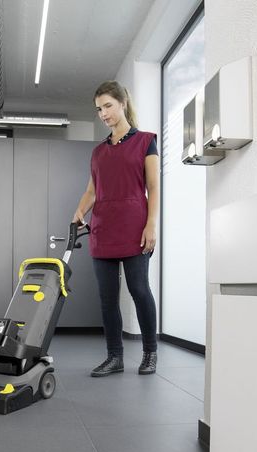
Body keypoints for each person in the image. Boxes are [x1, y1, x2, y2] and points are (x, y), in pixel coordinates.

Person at [72, 80, 160, 377]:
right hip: (103, 229)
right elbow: (91, 191)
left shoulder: (146, 140)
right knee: (107, 298)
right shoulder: (98, 152)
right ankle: (115, 357)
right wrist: (79, 210)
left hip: (135, 226)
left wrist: (151, 224)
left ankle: (149, 352)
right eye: (98, 109)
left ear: (123, 103)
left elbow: (153, 186)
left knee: (139, 289)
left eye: (108, 105)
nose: (103, 113)